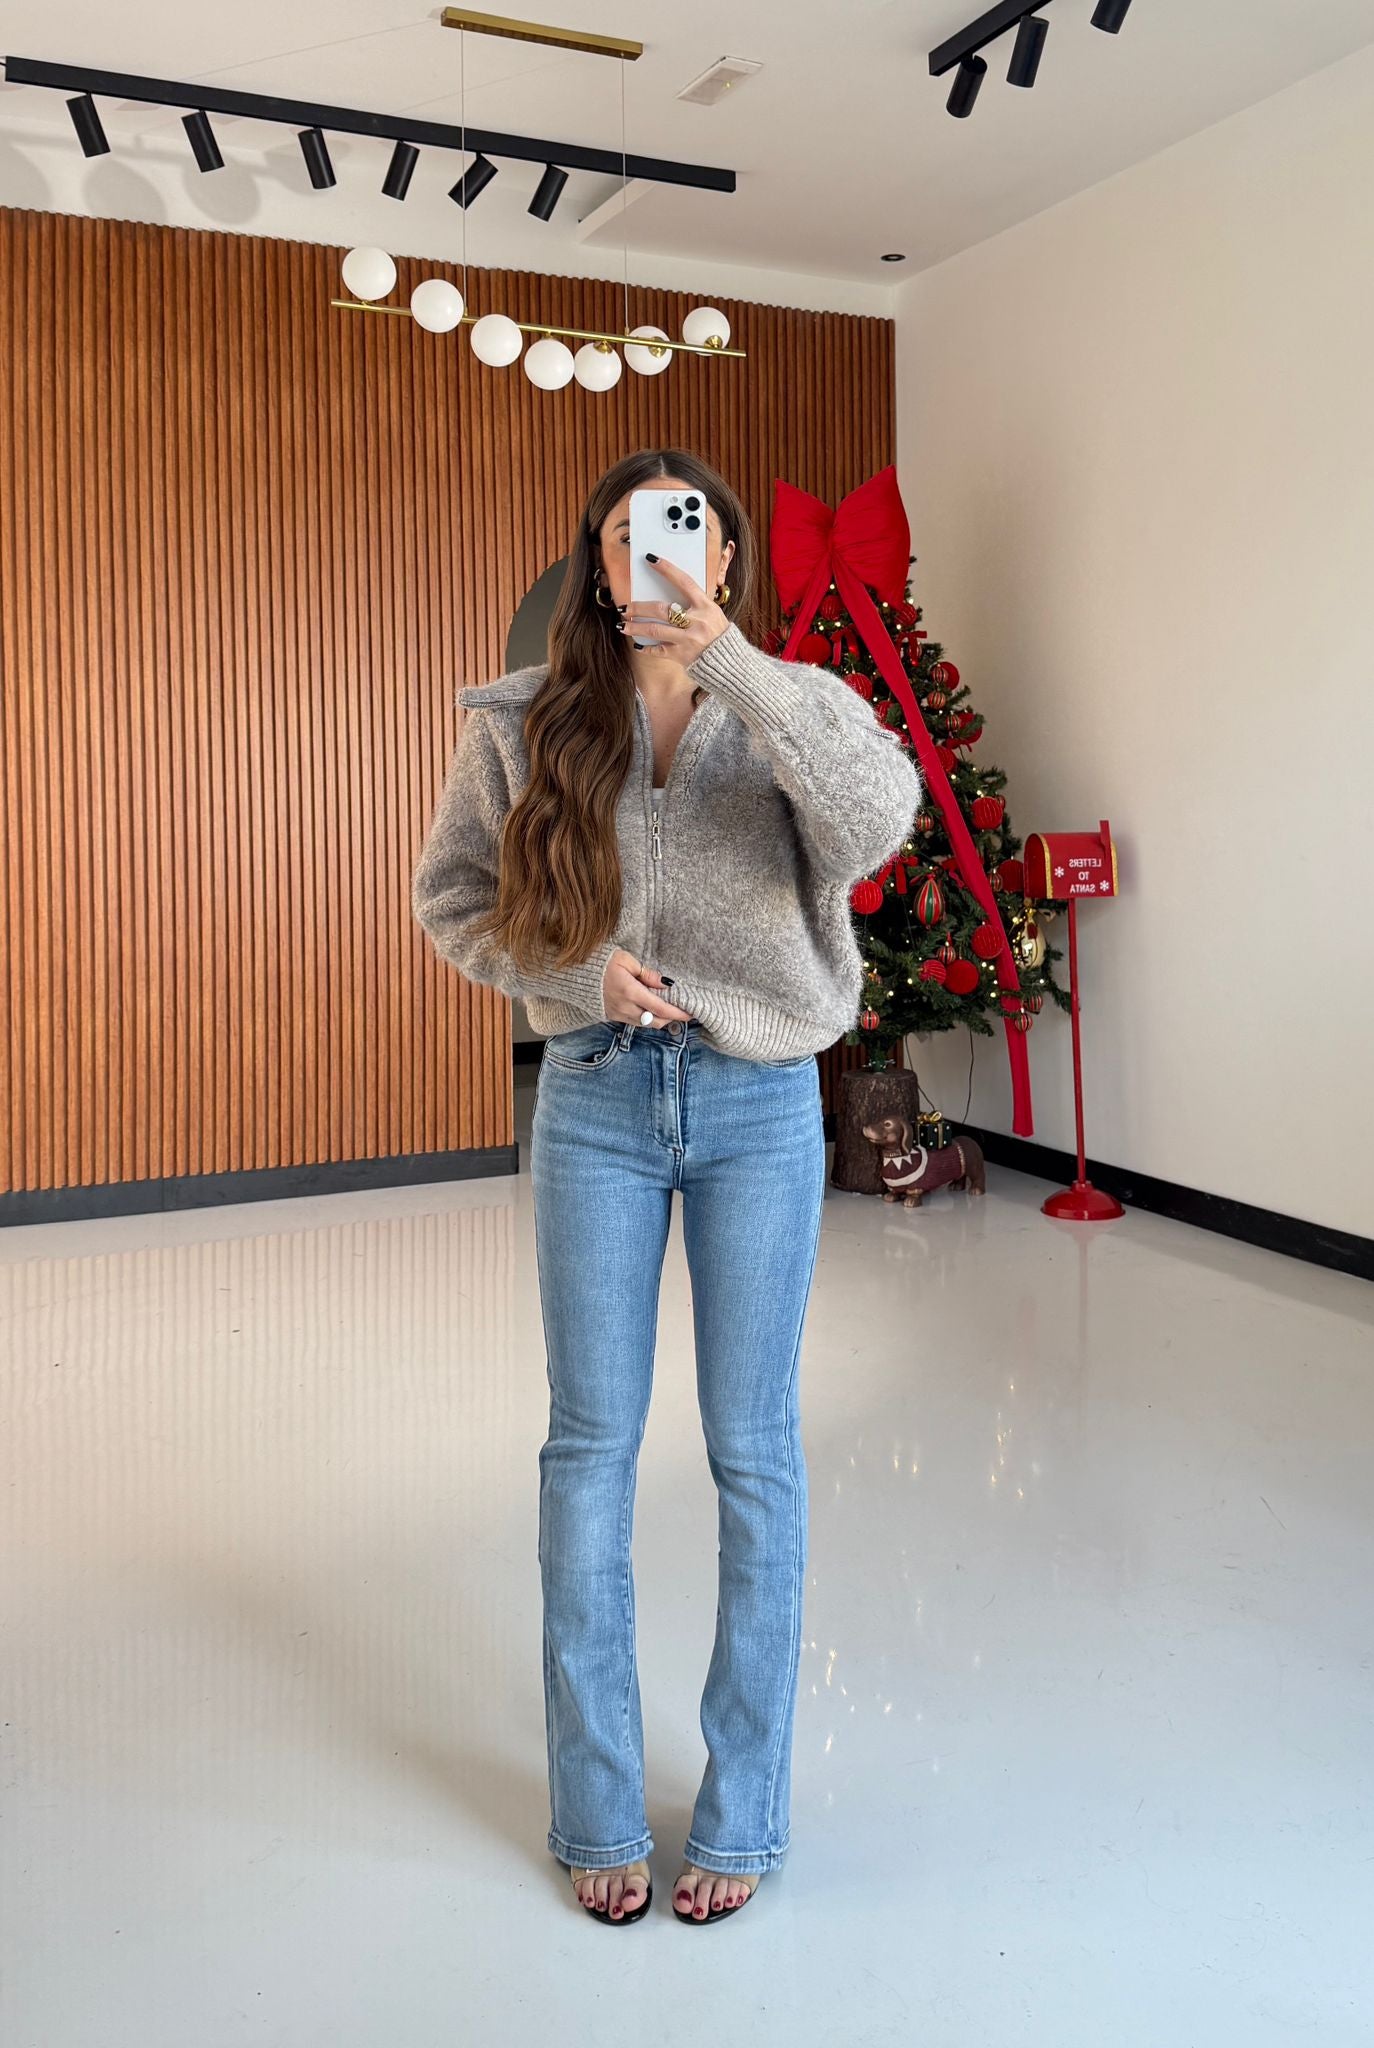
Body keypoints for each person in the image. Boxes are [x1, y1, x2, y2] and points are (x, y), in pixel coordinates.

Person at [412, 447, 922, 1926]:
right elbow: (452, 898)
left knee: (754, 1452)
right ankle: (594, 1804)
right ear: (593, 559)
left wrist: (733, 666)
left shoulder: (793, 706)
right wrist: (576, 973)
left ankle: (744, 1809)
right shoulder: (521, 721)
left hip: (760, 1103)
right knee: (589, 1447)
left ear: (726, 555)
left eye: (684, 533)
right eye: (628, 536)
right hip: (594, 1100)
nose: (657, 558)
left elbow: (878, 822)